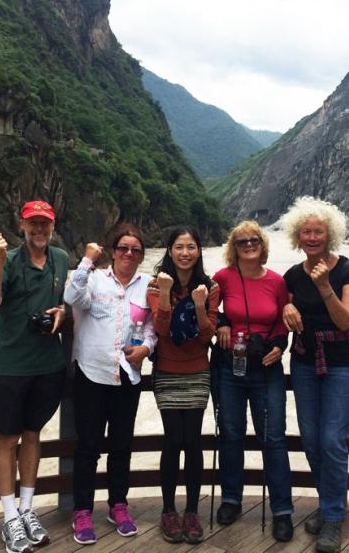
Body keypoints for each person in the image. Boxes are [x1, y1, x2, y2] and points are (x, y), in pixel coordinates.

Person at [281, 196, 349, 553]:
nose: (313, 237)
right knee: (310, 437)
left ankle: (332, 516)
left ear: (330, 234)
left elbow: (346, 319)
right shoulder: (291, 275)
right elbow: (281, 308)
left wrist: (324, 287)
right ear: (297, 236)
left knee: (332, 439)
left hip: (346, 361)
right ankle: (330, 503)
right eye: (307, 231)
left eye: (319, 231)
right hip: (305, 360)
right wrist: (287, 304)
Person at [0, 200, 69, 553]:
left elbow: (67, 301)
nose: (39, 229)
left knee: (33, 434)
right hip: (12, 364)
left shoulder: (61, 259)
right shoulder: (10, 259)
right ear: (22, 225)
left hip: (49, 363)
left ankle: (27, 509)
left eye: (44, 224)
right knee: (8, 438)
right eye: (33, 223)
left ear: (52, 225)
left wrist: (62, 311)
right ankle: (9, 518)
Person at [64, 223, 156, 545]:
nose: (129, 254)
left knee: (121, 446)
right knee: (88, 447)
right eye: (123, 248)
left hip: (128, 376)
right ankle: (82, 511)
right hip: (92, 374)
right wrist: (87, 260)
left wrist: (147, 348)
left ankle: (118, 505)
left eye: (135, 250)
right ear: (112, 250)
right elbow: (71, 296)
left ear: (142, 255)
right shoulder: (94, 279)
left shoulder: (149, 286)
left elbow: (150, 327)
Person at [211, 220, 294, 542]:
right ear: (234, 246)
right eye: (242, 240)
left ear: (262, 244)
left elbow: (281, 323)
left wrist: (278, 346)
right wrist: (220, 323)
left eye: (254, 239)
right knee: (230, 434)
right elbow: (207, 307)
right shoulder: (223, 278)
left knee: (273, 437)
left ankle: (282, 510)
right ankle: (231, 499)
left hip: (266, 368)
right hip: (229, 366)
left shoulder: (276, 282)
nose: (249, 244)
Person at [146, 227, 220, 544]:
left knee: (192, 440)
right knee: (172, 439)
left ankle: (191, 510)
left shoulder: (210, 287)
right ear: (170, 250)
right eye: (179, 247)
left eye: (191, 247)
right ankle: (168, 510)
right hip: (166, 370)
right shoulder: (155, 284)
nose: (185, 253)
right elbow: (162, 330)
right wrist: (164, 293)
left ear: (199, 251)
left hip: (196, 371)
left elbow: (207, 335)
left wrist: (200, 305)